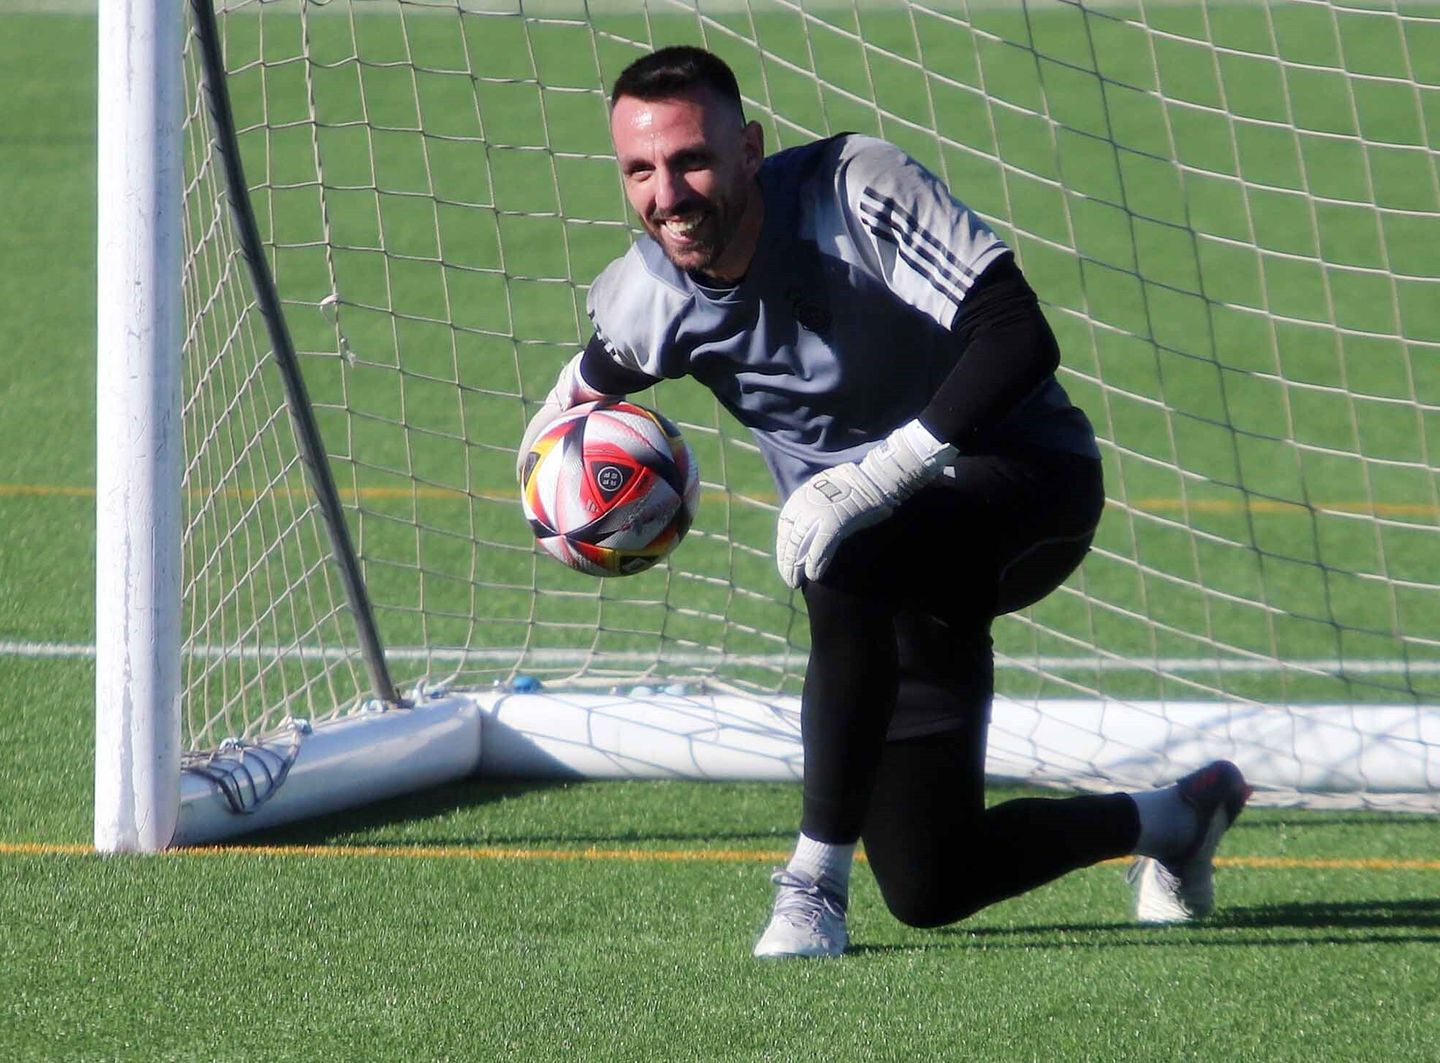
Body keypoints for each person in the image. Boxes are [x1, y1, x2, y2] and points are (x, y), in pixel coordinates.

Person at [518, 45, 1250, 956]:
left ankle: (810, 887)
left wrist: (876, 475)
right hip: (883, 566)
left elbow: (1018, 335)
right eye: (641, 171)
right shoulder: (648, 292)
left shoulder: (854, 187)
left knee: (845, 545)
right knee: (931, 879)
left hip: (1026, 483)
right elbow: (582, 394)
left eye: (692, 160)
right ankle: (1172, 820)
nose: (669, 194)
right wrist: (548, 472)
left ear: (749, 147)